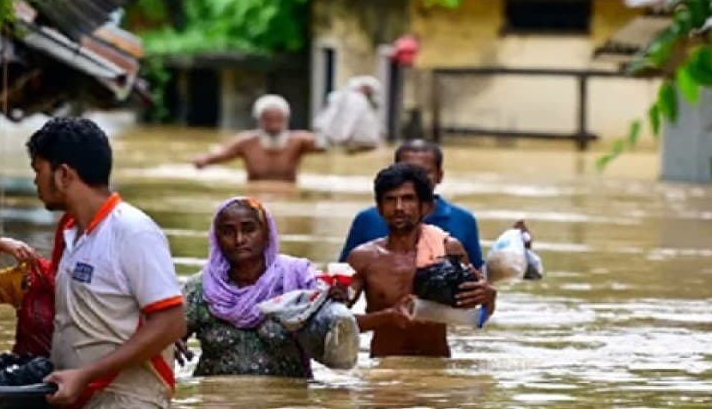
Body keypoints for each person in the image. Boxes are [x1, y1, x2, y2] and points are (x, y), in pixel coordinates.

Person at [0, 117, 186, 409]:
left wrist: (86, 374)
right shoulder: (69, 234)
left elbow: (172, 323)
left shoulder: (132, 231)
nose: (35, 181)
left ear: (63, 175)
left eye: (38, 171)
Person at [181, 197, 344, 378]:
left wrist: (335, 305)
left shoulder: (298, 280)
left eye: (249, 229)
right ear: (216, 238)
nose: (239, 239)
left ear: (267, 233)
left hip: (285, 403)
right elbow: (168, 337)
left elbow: (337, 339)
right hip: (218, 402)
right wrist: (170, 345)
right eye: (228, 232)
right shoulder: (201, 289)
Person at [348, 163, 497, 358]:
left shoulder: (448, 250)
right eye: (390, 200)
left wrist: (488, 298)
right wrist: (385, 318)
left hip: (436, 369)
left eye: (408, 199)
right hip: (384, 370)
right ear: (379, 208)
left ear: (425, 207)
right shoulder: (363, 258)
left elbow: (473, 316)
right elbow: (336, 322)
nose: (399, 207)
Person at [339, 139, 484, 270]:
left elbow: (475, 279)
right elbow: (344, 278)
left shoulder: (461, 225)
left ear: (439, 175)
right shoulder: (367, 220)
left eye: (424, 172)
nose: (399, 208)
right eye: (407, 171)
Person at [191, 95, 322, 182]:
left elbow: (325, 145)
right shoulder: (245, 142)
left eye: (278, 119)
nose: (274, 125)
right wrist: (203, 160)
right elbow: (220, 156)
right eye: (269, 119)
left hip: (288, 193)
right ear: (259, 120)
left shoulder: (299, 141)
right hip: (254, 194)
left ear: (286, 119)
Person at [313, 75, 382, 152]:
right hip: (354, 143)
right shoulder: (355, 98)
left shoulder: (352, 98)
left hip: (357, 143)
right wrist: (339, 137)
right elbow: (347, 120)